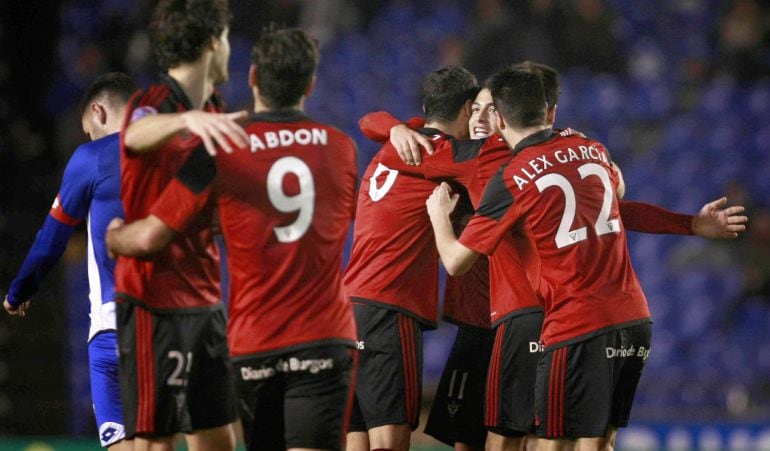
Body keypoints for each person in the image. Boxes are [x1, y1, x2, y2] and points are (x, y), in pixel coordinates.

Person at [363, 61, 748, 451]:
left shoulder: (495, 164)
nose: (479, 116)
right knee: (574, 439)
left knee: (524, 438)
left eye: (486, 108)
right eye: (473, 108)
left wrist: (402, 144)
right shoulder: (585, 147)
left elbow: (391, 155)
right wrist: (689, 224)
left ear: (501, 115)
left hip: (533, 316)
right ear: (548, 111)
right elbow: (617, 202)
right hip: (554, 316)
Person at [110, 25, 359, 451]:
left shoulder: (221, 148)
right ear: (310, 84)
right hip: (325, 336)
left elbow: (151, 236)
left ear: (253, 78)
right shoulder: (341, 147)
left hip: (254, 342)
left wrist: (114, 236)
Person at [103, 1, 248, 449]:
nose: (228, 48)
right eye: (224, 38)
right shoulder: (154, 104)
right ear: (211, 42)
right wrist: (186, 119)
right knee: (155, 440)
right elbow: (133, 134)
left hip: (204, 300)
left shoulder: (215, 107)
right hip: (153, 300)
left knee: (219, 435)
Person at [343, 66, 479, 451]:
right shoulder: (443, 156)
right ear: (468, 108)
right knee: (390, 440)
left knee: (356, 437)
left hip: (349, 309)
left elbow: (369, 119)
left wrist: (392, 126)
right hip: (390, 310)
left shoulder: (394, 146)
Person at [3, 72, 136, 450]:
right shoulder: (170, 153)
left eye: (89, 130)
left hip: (113, 330)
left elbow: (52, 238)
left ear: (98, 111)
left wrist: (19, 291)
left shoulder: (92, 156)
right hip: (168, 324)